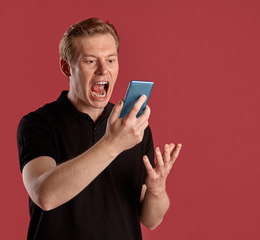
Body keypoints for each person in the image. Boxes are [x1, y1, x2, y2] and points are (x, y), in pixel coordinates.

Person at [17, 18, 182, 240]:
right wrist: (112, 144)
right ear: (67, 67)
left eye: (111, 60)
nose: (103, 70)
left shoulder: (132, 126)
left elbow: (151, 220)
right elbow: (45, 195)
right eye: (90, 61)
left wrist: (156, 189)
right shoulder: (38, 124)